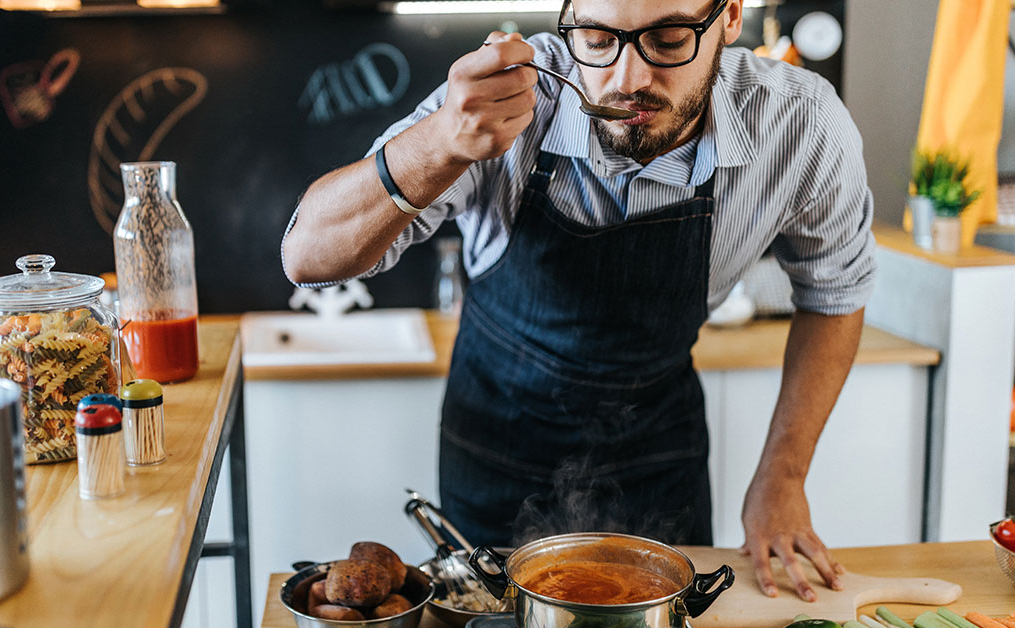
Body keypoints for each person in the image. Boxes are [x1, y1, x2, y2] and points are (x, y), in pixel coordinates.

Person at [282, 0, 874, 603]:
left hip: (658, 454)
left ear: (728, 19)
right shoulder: (508, 97)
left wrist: (784, 475)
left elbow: (836, 292)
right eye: (597, 39)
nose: (628, 80)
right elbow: (308, 258)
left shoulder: (800, 123)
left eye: (669, 40)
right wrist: (438, 143)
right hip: (496, 448)